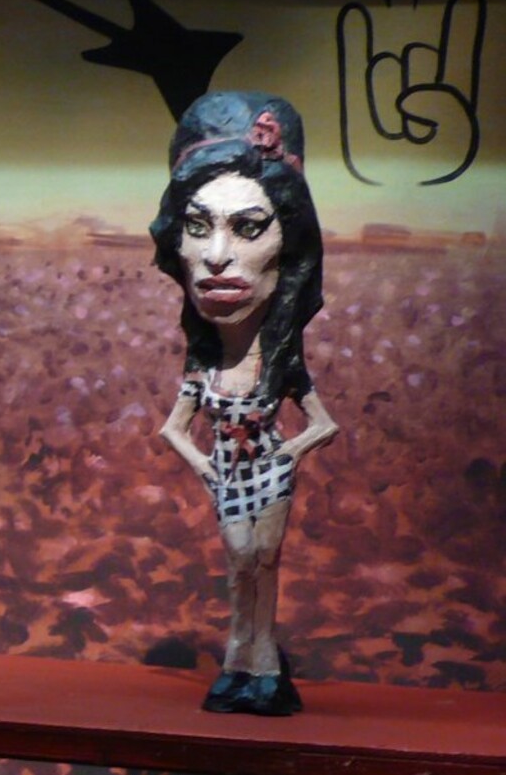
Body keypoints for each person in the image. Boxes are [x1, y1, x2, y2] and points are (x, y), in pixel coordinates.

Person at [151, 92, 339, 715]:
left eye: (249, 227)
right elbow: (173, 428)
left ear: (290, 246)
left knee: (263, 560)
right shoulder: (204, 365)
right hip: (230, 477)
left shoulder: (281, 364)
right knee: (240, 562)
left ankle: (262, 664)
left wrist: (285, 454)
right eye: (197, 227)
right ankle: (242, 659)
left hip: (266, 474)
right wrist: (207, 466)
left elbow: (323, 424)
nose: (216, 256)